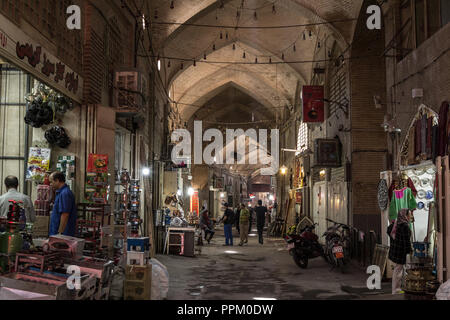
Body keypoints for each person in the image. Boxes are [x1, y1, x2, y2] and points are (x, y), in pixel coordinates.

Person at [387, 208, 413, 295]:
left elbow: (388, 231)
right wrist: (409, 251)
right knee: (398, 270)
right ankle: (395, 290)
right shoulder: (404, 226)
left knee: (398, 270)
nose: (410, 216)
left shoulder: (397, 223)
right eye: (409, 214)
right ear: (405, 216)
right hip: (401, 252)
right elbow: (406, 241)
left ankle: (397, 288)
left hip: (396, 251)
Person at [49, 172, 77, 237]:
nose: (50, 184)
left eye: (51, 182)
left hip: (64, 233)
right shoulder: (60, 192)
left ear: (57, 181)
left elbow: (65, 214)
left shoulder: (65, 193)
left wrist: (60, 233)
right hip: (56, 231)